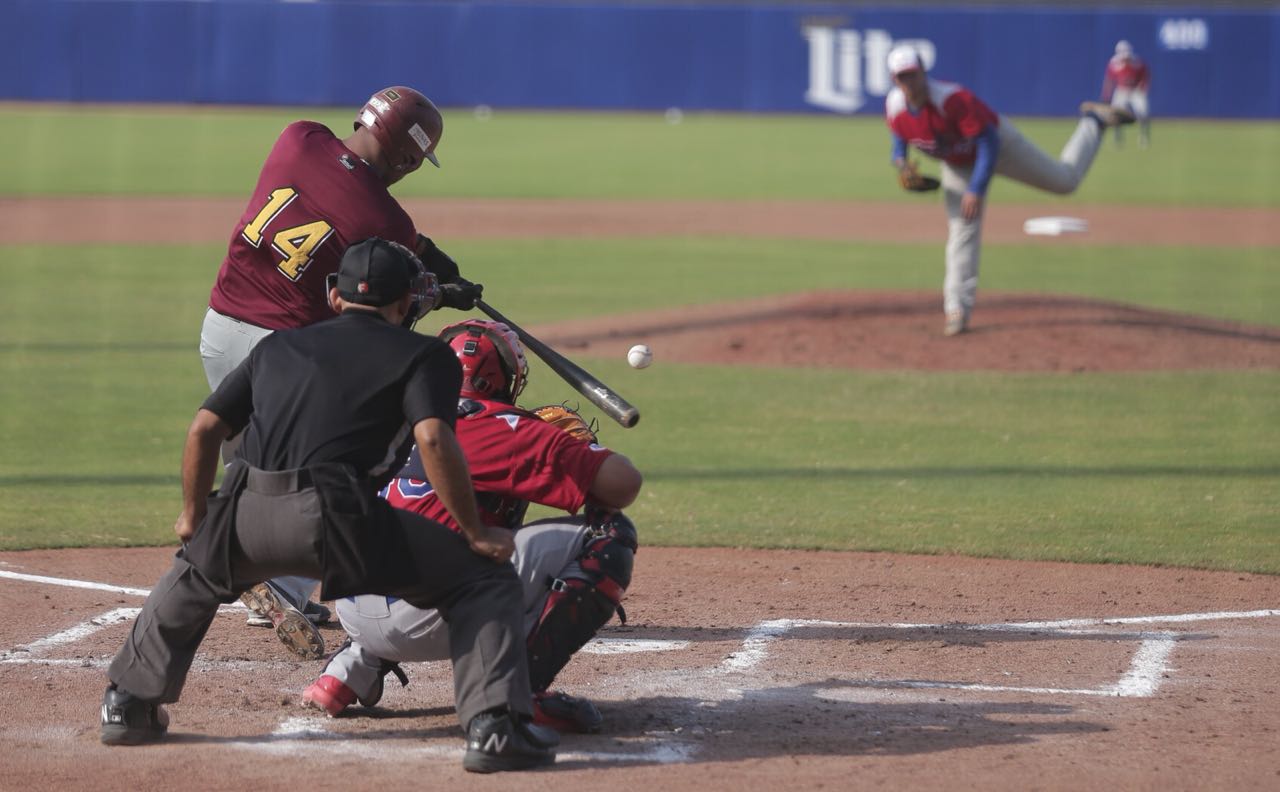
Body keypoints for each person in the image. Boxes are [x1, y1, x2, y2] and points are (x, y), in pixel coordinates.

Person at [100, 239, 557, 773]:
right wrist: (475, 531)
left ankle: (128, 704)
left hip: (246, 508)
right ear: (407, 303)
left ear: (334, 298)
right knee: (483, 578)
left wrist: (193, 515)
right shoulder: (425, 355)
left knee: (193, 574)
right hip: (339, 518)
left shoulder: (276, 348)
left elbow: (204, 428)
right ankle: (495, 728)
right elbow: (433, 440)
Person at [198, 85, 484, 657]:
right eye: (414, 161)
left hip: (219, 328)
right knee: (314, 474)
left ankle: (256, 574)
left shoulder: (298, 138)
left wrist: (424, 252)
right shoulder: (385, 218)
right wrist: (441, 288)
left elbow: (353, 205)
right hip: (281, 352)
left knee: (251, 464)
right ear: (406, 156)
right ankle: (261, 575)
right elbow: (387, 295)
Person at [299, 319, 643, 734]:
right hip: (424, 613)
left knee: (411, 527)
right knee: (608, 536)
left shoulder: (386, 410)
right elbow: (623, 485)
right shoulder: (505, 427)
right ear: (504, 378)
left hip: (350, 600)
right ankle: (519, 693)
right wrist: (574, 449)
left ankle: (347, 671)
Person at [883, 44, 1134, 336]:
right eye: (902, 77)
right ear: (894, 81)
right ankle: (957, 310)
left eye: (913, 74)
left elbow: (988, 143)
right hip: (957, 165)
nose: (909, 82)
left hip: (1000, 147)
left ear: (924, 72)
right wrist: (900, 163)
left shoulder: (952, 100)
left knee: (1065, 181)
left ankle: (1093, 122)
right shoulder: (895, 106)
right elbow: (899, 137)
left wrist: (976, 188)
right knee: (962, 231)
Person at [1101, 40, 1152, 148]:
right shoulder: (1114, 63)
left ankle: (1144, 136)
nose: (1126, 59)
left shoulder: (1137, 63)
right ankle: (1118, 138)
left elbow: (1145, 76)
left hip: (1135, 90)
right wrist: (1106, 94)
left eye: (1127, 55)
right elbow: (1109, 80)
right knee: (1116, 115)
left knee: (1143, 112)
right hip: (1121, 90)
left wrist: (1143, 88)